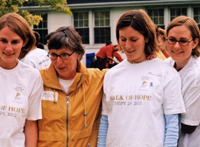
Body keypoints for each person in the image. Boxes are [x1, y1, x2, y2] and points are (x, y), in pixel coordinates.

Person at [97, 9, 186, 147]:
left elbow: (172, 124)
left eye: (134, 39)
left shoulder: (166, 73)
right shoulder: (111, 75)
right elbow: (105, 121)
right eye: (123, 39)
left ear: (147, 37)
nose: (127, 46)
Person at [0, 13, 43, 147]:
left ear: (25, 42)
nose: (8, 48)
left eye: (15, 42)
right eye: (3, 41)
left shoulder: (33, 76)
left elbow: (31, 124)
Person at [37, 26, 107, 147]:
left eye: (64, 55)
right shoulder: (38, 79)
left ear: (78, 55)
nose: (58, 62)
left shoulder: (96, 79)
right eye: (54, 55)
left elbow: (126, 71)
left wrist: (148, 57)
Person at [164, 16, 200, 147]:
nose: (176, 46)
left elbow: (189, 126)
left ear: (195, 42)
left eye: (183, 41)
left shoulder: (196, 75)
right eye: (172, 40)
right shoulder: (166, 64)